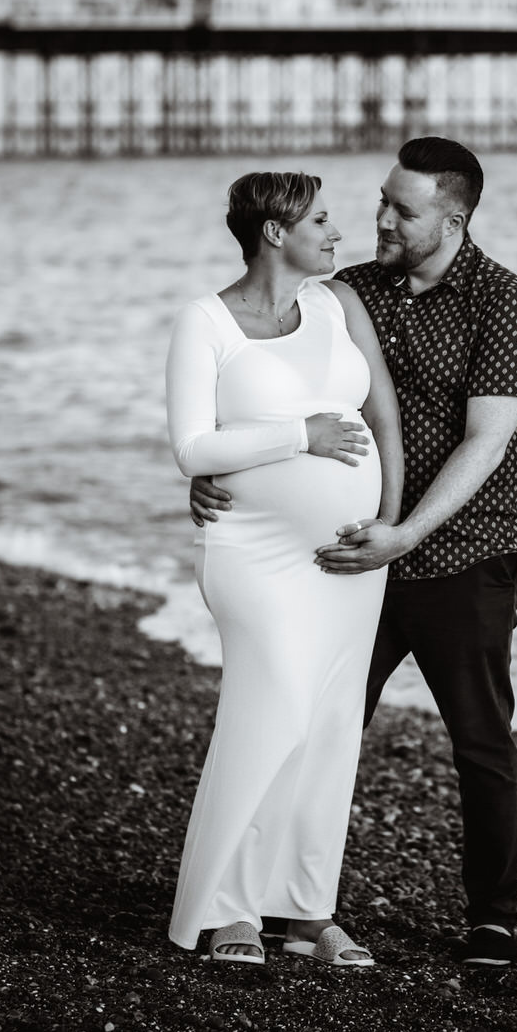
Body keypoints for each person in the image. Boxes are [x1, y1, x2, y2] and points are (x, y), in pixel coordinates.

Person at [190, 137, 517, 967]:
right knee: (310, 727)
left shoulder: (503, 301)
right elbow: (263, 375)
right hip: (349, 562)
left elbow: (487, 441)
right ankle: (286, 906)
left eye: (402, 210)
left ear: (452, 219)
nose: (380, 219)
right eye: (380, 200)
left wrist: (406, 533)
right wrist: (209, 470)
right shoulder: (349, 293)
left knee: (481, 740)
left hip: (466, 550)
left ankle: (492, 918)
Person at [163, 171, 404, 967]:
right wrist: (299, 434)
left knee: (331, 728)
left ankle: (306, 912)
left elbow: (382, 416)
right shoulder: (205, 322)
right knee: (272, 713)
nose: (339, 235)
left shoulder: (341, 306)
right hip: (253, 553)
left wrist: (389, 521)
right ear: (274, 232)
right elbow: (195, 449)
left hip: (349, 557)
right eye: (322, 221)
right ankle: (227, 908)